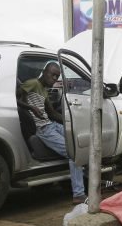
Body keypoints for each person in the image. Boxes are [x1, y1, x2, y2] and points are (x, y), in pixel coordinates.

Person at [16, 62, 86, 204]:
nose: (54, 78)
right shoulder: (33, 83)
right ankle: (78, 194)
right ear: (44, 72)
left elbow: (52, 113)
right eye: (52, 74)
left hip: (51, 125)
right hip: (44, 130)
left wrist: (71, 121)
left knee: (79, 144)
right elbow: (15, 98)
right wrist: (31, 108)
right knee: (74, 154)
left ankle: (86, 180)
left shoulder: (44, 89)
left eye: (57, 76)